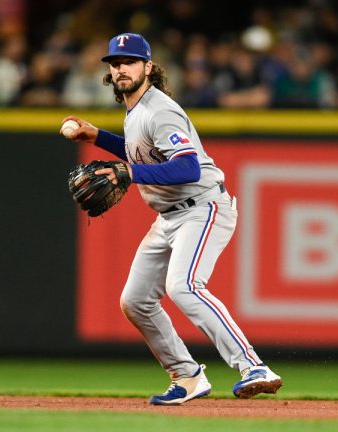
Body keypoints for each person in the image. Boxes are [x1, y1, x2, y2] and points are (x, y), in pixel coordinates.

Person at [62, 33, 282, 405]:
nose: (121, 69)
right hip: (169, 218)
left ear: (148, 67)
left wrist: (128, 174)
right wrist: (97, 135)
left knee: (184, 286)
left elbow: (187, 166)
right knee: (135, 301)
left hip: (203, 206)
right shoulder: (138, 109)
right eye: (115, 63)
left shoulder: (159, 109)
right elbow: (142, 151)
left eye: (130, 61)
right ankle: (187, 375)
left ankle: (253, 366)